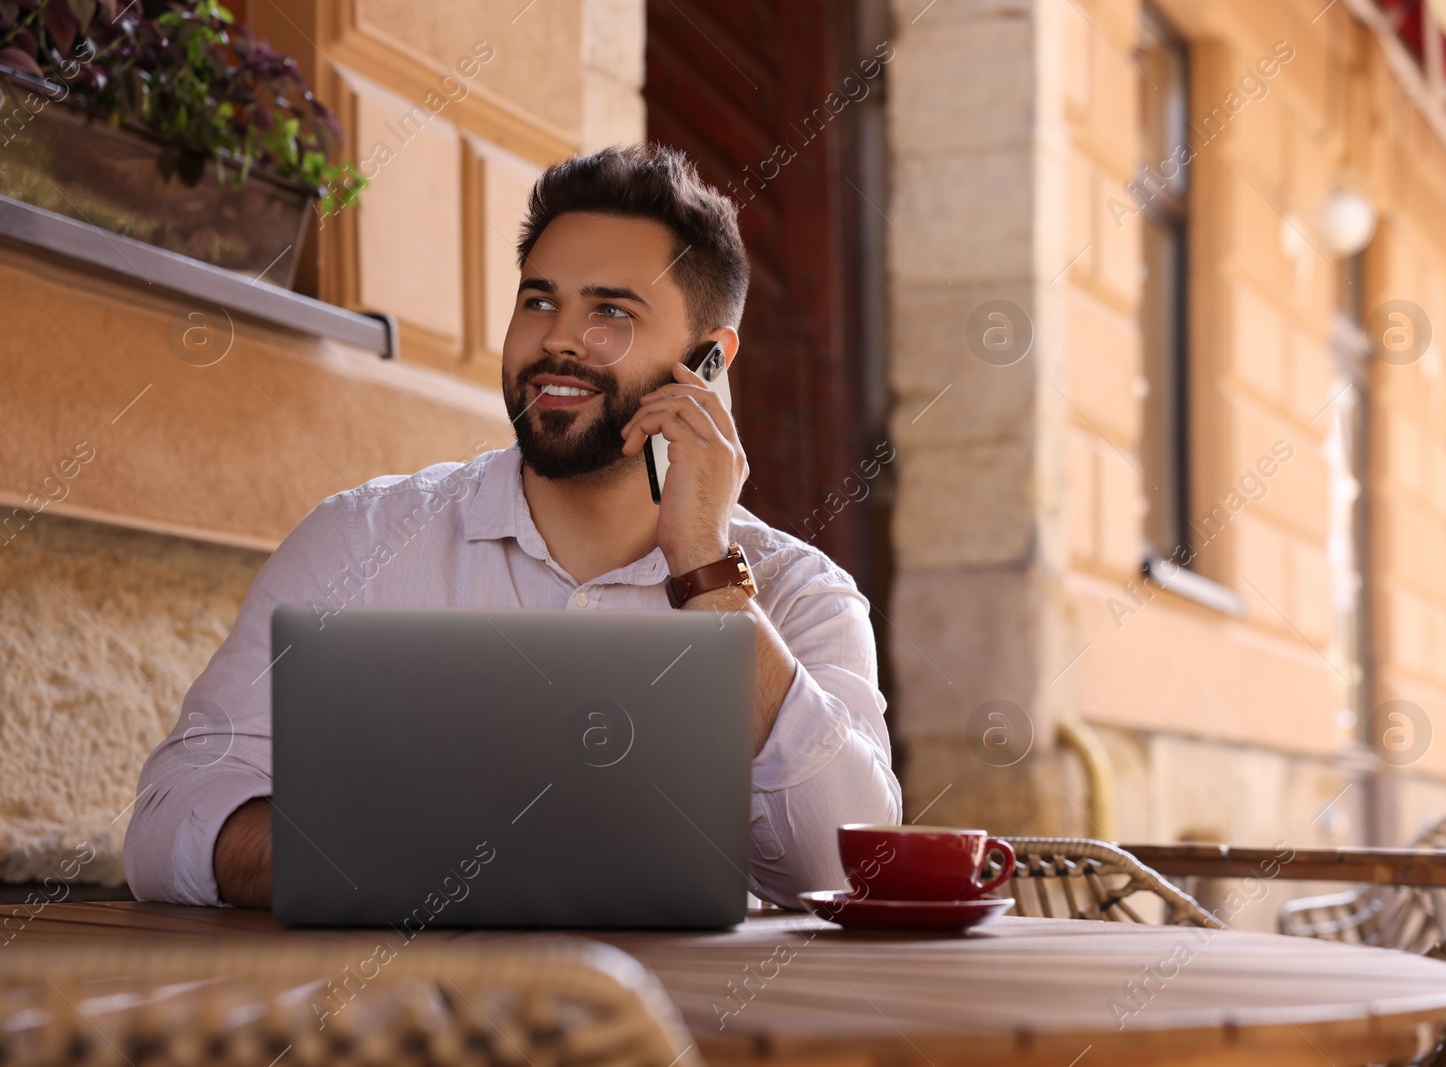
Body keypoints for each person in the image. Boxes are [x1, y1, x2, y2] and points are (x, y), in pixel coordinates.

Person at [123, 143, 901, 910]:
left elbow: (851, 861)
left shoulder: (799, 594)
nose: (558, 337)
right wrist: (398, 853)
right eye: (539, 301)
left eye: (610, 312)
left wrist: (705, 568)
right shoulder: (357, 542)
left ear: (706, 362)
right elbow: (167, 824)